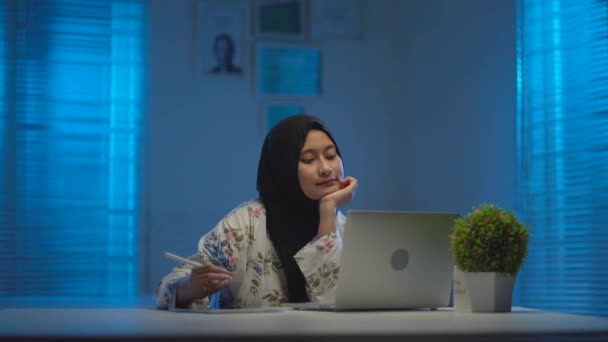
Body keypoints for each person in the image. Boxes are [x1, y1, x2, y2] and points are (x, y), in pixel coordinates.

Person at [155, 115, 358, 309]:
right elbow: (165, 289)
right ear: (283, 168)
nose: (326, 168)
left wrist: (328, 210)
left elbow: (334, 304)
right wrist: (188, 288)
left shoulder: (346, 228)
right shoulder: (242, 227)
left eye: (331, 156)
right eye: (308, 159)